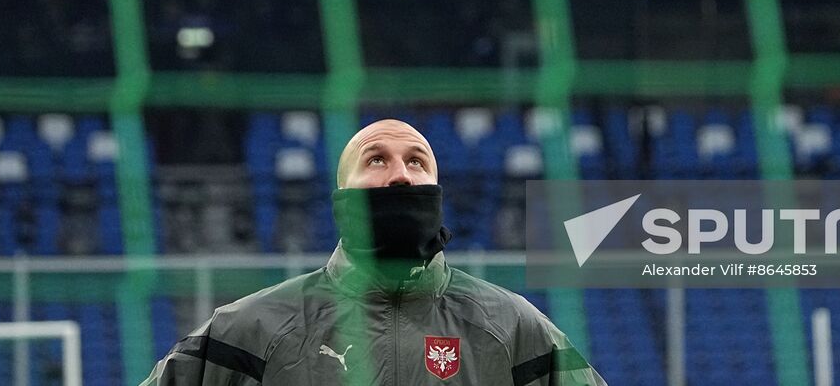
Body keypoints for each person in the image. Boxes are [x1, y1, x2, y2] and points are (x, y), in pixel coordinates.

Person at [143, 118, 607, 385]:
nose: (401, 174)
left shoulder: (512, 327)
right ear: (342, 198)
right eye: (377, 159)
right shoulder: (250, 328)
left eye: (417, 161)